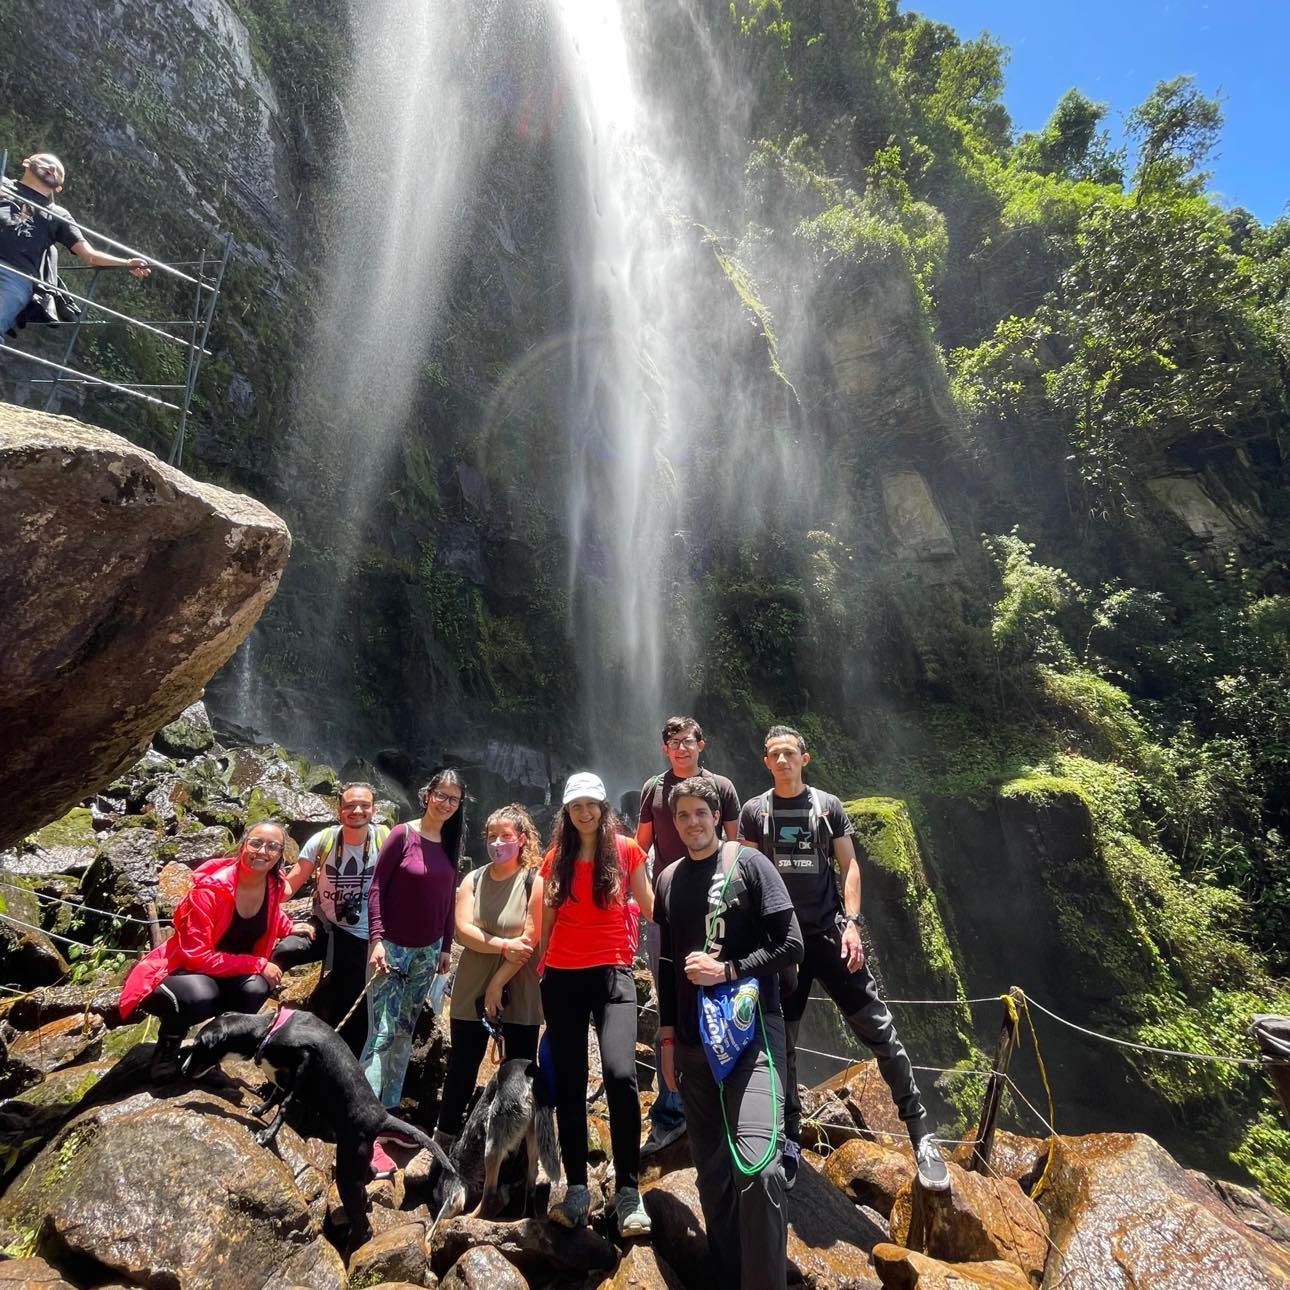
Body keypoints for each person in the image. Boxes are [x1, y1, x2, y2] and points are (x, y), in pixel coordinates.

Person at [738, 725, 949, 1192]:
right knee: (783, 1043)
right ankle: (789, 1136)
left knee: (879, 1029)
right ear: (766, 762)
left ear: (805, 758)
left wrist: (852, 921)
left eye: (790, 752)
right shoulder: (755, 812)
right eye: (775, 754)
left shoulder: (826, 806)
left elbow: (849, 864)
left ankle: (921, 1133)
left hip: (831, 933)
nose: (783, 760)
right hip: (783, 943)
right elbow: (750, 875)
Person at [654, 776, 803, 1290]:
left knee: (759, 1169)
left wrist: (729, 970)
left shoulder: (751, 865)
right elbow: (667, 963)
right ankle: (726, 1275)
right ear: (672, 823)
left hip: (753, 1034)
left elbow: (791, 944)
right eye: (682, 815)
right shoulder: (668, 879)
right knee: (713, 1179)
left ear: (717, 815)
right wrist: (667, 1039)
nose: (692, 822)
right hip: (693, 1045)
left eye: (701, 813)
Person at [538, 772, 654, 1237]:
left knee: (621, 1074)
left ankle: (629, 1190)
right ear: (566, 812)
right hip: (562, 976)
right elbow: (545, 921)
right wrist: (537, 972)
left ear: (604, 806)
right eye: (575, 806)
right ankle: (578, 1190)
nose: (584, 812)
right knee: (568, 1083)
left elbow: (651, 906)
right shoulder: (555, 859)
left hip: (613, 974)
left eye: (591, 804)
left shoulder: (626, 851)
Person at [119, 821, 306, 1080]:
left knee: (255, 987)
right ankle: (167, 1049)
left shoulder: (272, 883)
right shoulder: (210, 891)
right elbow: (196, 957)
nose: (263, 851)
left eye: (272, 846)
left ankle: (211, 1052)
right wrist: (258, 964)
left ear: (280, 854)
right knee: (202, 994)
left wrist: (290, 927)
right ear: (242, 846)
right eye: (256, 843)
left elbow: (271, 915)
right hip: (181, 972)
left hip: (226, 971)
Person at [635, 715, 741, 1156]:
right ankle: (671, 1110)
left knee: (726, 995)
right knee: (671, 1004)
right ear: (664, 749)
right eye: (673, 742)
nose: (682, 748)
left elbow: (738, 850)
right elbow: (637, 851)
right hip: (670, 909)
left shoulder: (722, 787)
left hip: (717, 906)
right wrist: (640, 905)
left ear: (702, 744)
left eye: (689, 741)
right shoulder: (652, 790)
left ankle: (728, 1098)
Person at [362, 768, 464, 1175]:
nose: (445, 803)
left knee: (404, 1032)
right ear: (427, 795)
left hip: (426, 955)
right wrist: (377, 939)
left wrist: (445, 945)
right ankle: (365, 1128)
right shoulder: (402, 835)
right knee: (382, 1032)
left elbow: (448, 897)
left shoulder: (451, 843)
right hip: (393, 950)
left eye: (453, 799)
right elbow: (374, 888)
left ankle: (389, 1116)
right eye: (441, 794)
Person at [435, 803, 544, 1150]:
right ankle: (445, 1136)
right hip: (471, 987)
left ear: (522, 839)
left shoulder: (534, 878)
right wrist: (501, 946)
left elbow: (531, 938)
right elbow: (461, 931)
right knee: (462, 1066)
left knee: (520, 1070)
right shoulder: (474, 878)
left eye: (506, 837)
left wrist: (499, 981)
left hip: (521, 988)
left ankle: (514, 1147)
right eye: (492, 837)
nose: (498, 843)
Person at [271, 782, 390, 1055]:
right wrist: (254, 890)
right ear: (339, 810)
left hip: (365, 934)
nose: (357, 811)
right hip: (327, 926)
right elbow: (289, 887)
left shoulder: (385, 839)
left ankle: (343, 1058)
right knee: (285, 950)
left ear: (374, 809)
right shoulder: (323, 841)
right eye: (349, 805)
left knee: (351, 1002)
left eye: (364, 805)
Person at [0, 153, 150, 336]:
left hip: (14, 277)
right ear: (26, 163)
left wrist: (127, 263)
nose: (52, 167)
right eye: (47, 161)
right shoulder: (3, 185)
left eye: (59, 170)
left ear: (59, 187)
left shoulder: (58, 214)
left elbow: (90, 255)